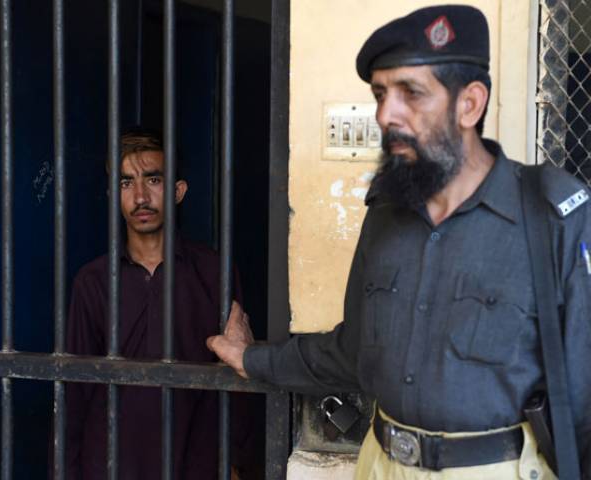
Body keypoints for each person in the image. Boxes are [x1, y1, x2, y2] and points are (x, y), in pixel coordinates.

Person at [207, 5, 591, 479]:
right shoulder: (386, 214)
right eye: (381, 93)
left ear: (469, 104)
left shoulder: (553, 214)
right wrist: (251, 359)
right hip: (380, 465)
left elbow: (584, 395)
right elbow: (352, 350)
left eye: (411, 93)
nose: (386, 113)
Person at [63, 129, 253, 479]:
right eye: (125, 183)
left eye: (153, 179)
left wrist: (238, 462)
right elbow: (74, 391)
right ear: (112, 196)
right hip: (108, 462)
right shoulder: (93, 281)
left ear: (178, 191)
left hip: (195, 460)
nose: (139, 197)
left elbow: (239, 383)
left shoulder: (214, 272)